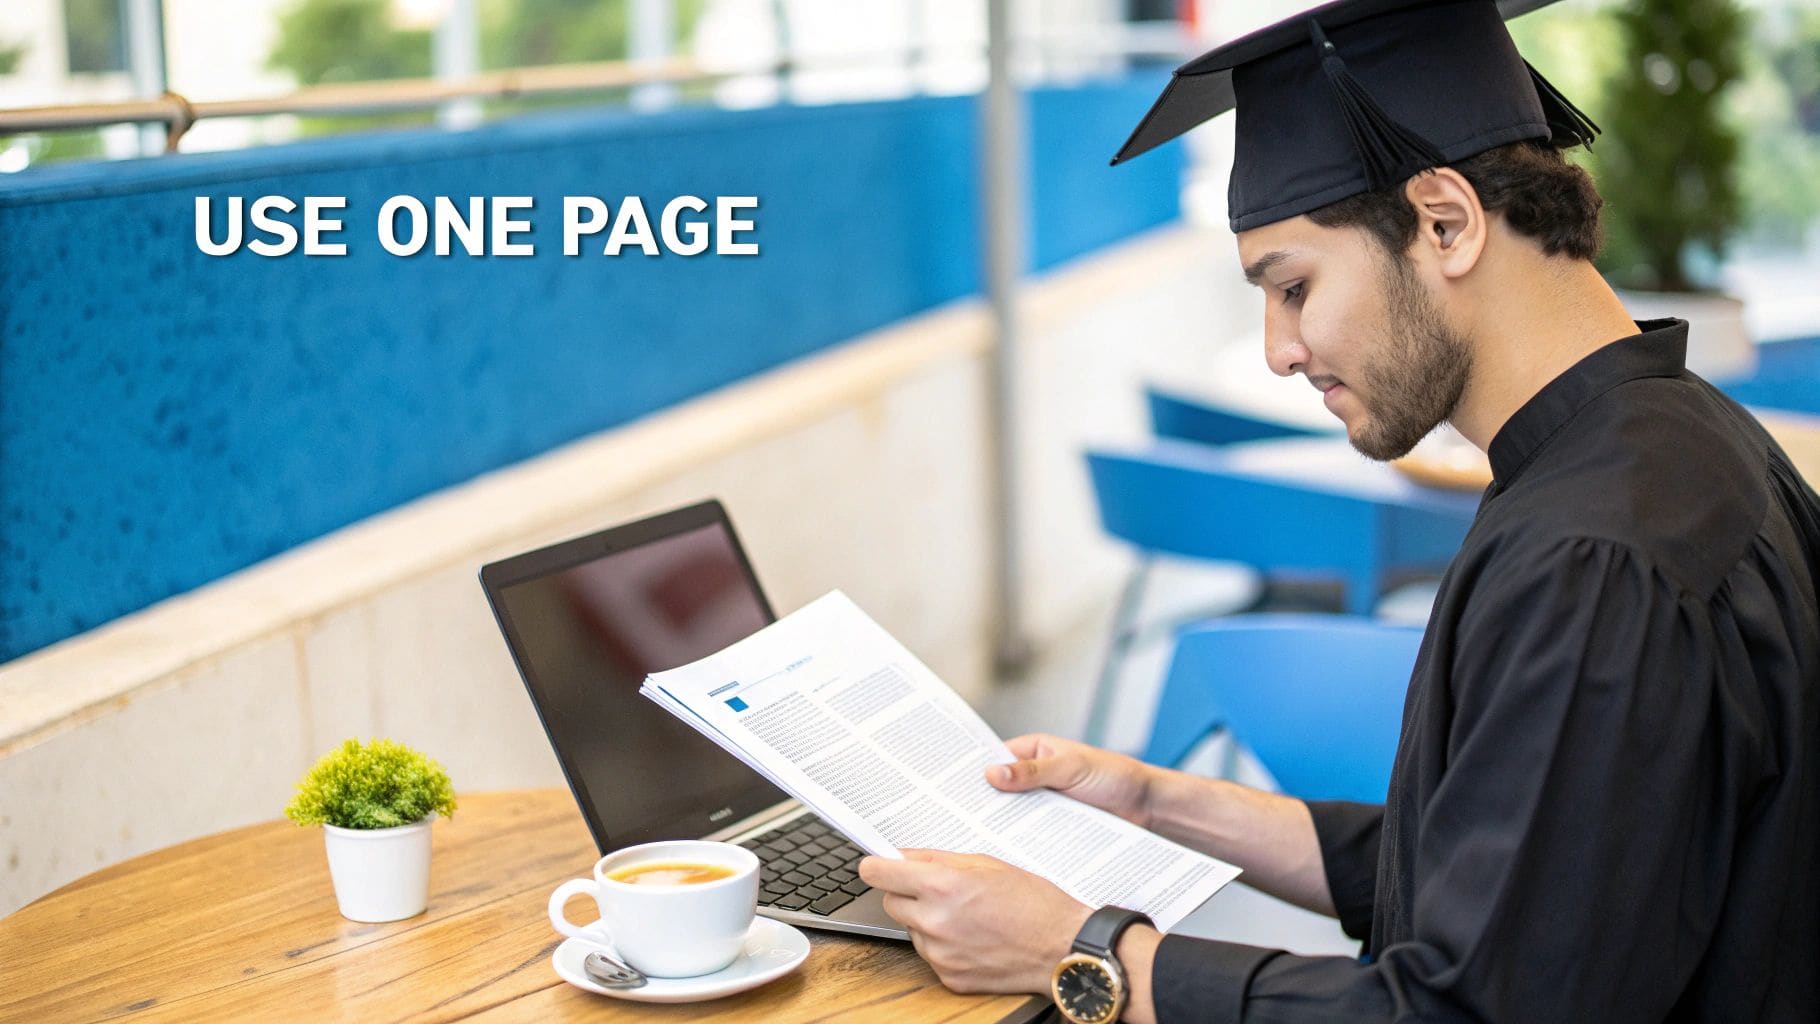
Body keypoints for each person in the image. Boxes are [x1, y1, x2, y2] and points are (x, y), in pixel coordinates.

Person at [858, 1, 1820, 1020]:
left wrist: (1078, 951)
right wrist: (1152, 801)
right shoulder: (1684, 444)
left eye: (1292, 286)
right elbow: (1510, 887)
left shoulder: (1593, 559)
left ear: (1443, 223)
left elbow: (1464, 1009)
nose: (1279, 347)